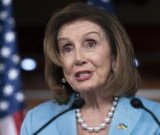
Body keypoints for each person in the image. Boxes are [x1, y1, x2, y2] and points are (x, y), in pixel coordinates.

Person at [20, 2, 160, 135]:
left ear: (114, 55)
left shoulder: (154, 117)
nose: (78, 58)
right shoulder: (37, 121)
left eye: (91, 44)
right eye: (67, 48)